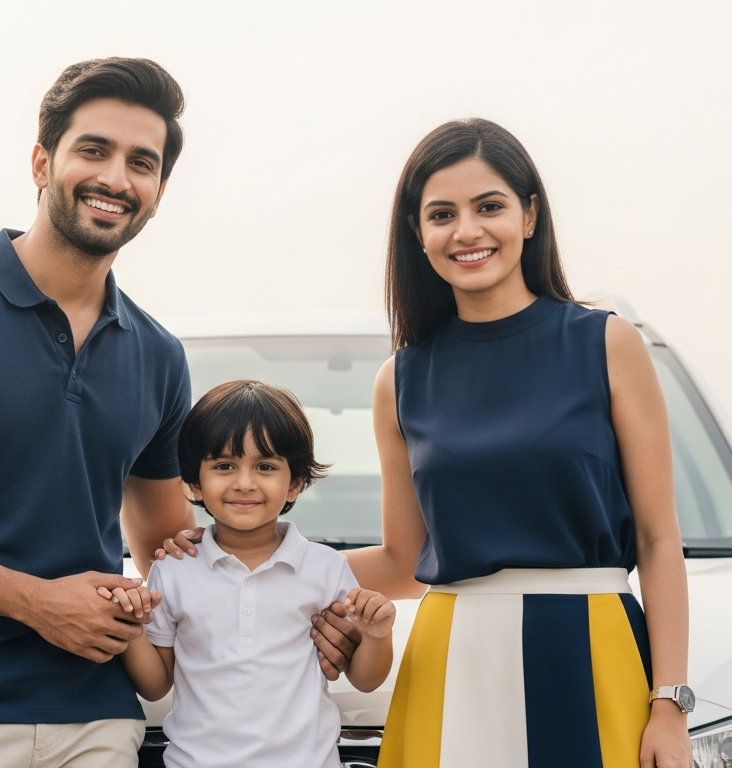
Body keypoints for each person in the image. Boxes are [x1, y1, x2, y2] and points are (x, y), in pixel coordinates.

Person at [0, 58, 346, 768]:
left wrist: (308, 616)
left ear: (158, 191)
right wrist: (35, 601)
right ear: (42, 161)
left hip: (101, 717)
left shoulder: (157, 354)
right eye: (93, 150)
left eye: (142, 162)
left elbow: (171, 546)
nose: (117, 178)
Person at [161, 118, 692, 767]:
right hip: (452, 659)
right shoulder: (401, 379)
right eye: (442, 213)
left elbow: (659, 541)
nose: (466, 230)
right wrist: (238, 553)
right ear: (419, 233)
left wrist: (669, 703)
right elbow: (402, 560)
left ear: (528, 215)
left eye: (488, 206)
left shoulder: (609, 345)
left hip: (591, 646)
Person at [112, 380, 396, 767]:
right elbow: (155, 684)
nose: (244, 483)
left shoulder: (328, 568)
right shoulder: (173, 569)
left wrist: (378, 635)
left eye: (265, 466)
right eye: (224, 466)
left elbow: (365, 679)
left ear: (295, 483)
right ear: (195, 483)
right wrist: (130, 625)